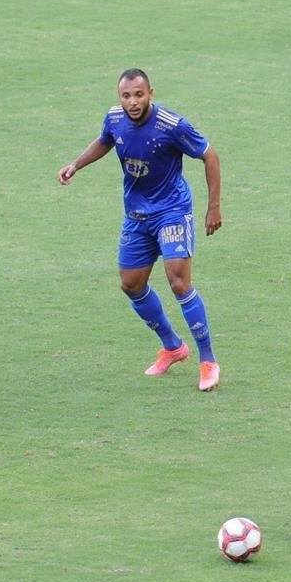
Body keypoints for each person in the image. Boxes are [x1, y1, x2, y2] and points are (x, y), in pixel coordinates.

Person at [57, 68, 223, 391]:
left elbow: (209, 155)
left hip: (172, 211)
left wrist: (213, 207)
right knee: (131, 284)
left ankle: (208, 360)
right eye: (126, 95)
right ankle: (173, 347)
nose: (132, 102)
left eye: (139, 94)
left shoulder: (171, 126)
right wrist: (75, 164)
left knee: (178, 281)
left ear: (151, 94)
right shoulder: (114, 118)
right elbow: (106, 140)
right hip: (137, 216)